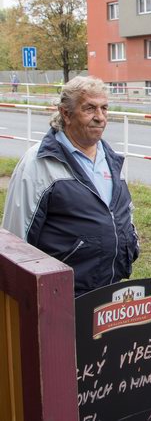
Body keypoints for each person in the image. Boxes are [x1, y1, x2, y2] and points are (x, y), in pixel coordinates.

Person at [1, 76, 140, 297]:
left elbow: (122, 211)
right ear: (66, 113)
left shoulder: (111, 159)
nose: (100, 117)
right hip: (60, 295)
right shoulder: (39, 163)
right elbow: (15, 239)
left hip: (110, 288)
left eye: (104, 108)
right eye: (90, 108)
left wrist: (131, 244)